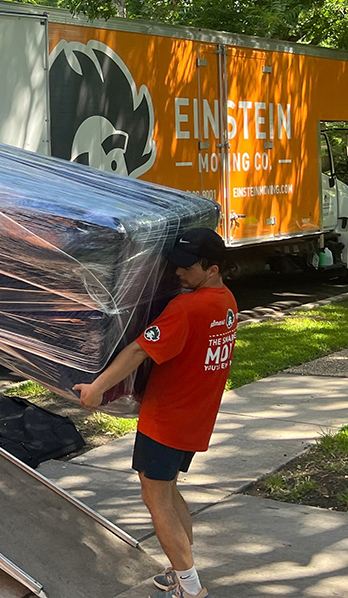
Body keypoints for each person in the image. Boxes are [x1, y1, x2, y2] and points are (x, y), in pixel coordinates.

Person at [73, 227, 237, 598]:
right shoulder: (226, 302)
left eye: (185, 267)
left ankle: (191, 588)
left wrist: (97, 388)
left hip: (167, 420)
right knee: (168, 492)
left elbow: (137, 351)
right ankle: (180, 572)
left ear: (211, 268)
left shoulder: (187, 307)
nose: (176, 272)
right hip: (195, 417)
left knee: (155, 499)